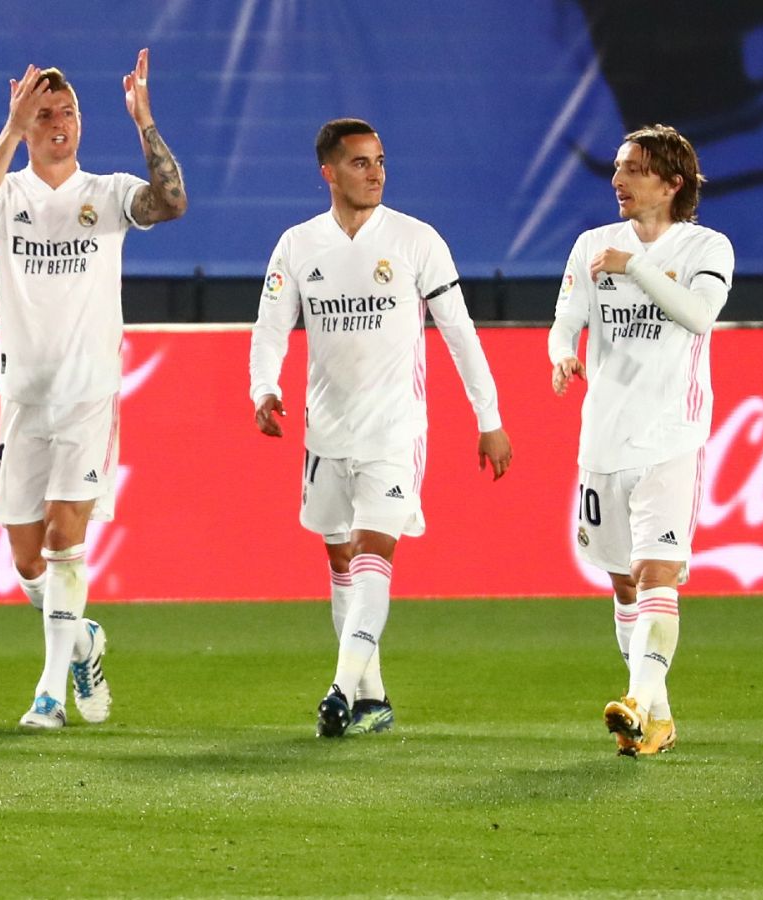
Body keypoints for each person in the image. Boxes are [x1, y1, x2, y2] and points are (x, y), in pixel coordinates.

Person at [250, 118, 512, 738]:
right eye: (361, 163)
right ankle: (372, 696)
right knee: (340, 557)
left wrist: (490, 418)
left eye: (380, 161)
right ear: (329, 173)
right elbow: (269, 328)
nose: (375, 173)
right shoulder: (297, 245)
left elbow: (460, 333)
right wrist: (263, 388)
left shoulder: (417, 241)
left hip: (395, 431)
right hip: (325, 434)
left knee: (374, 549)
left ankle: (339, 689)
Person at [0, 50, 187, 729]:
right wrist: (7, 129)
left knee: (63, 536)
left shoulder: (108, 193)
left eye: (69, 113)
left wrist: (145, 121)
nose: (59, 124)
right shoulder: (9, 196)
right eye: (45, 114)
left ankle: (49, 694)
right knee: (26, 556)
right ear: (27, 124)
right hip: (24, 397)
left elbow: (171, 201)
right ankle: (81, 639)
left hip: (88, 393)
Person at [548, 124, 731, 758]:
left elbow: (699, 315)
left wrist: (638, 267)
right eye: (618, 168)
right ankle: (655, 716)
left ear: (672, 183)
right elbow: (565, 319)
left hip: (671, 436)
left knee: (660, 573)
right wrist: (560, 355)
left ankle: (635, 698)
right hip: (602, 436)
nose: (618, 181)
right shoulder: (591, 246)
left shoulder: (708, 246)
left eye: (633, 170)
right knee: (625, 582)